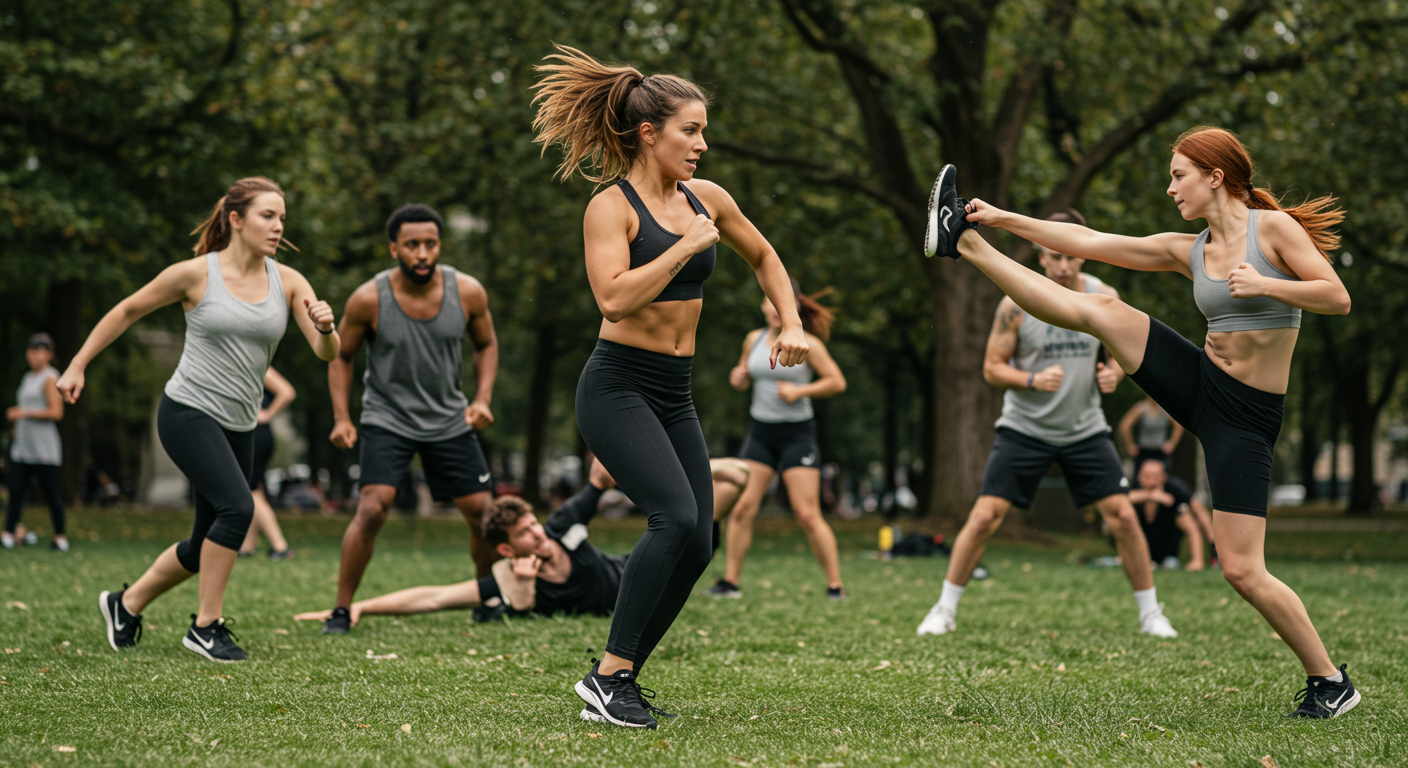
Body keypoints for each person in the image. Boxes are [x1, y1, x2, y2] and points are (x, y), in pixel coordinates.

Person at [924, 125, 1359, 718]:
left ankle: (1331, 681)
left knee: (1241, 569)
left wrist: (1265, 283)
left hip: (1247, 417)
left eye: (1179, 175)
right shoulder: (1192, 249)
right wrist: (1001, 219)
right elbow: (1094, 242)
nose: (1171, 187)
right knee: (1101, 310)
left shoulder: (1273, 232)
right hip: (1202, 380)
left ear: (1215, 176)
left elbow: (1336, 297)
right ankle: (965, 245)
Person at [532, 45, 809, 729]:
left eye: (704, 130)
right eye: (691, 130)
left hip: (673, 390)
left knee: (700, 541)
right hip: (616, 386)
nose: (702, 144)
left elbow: (765, 255)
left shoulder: (706, 198)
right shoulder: (610, 208)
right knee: (675, 519)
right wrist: (684, 247)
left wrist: (792, 320)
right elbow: (615, 300)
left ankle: (619, 678)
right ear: (649, 133)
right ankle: (608, 676)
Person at [64, 177, 339, 662]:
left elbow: (324, 353)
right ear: (235, 219)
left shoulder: (289, 281)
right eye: (267, 216)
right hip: (188, 411)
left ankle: (124, 605)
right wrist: (77, 364)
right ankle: (206, 627)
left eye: (281, 218)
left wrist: (327, 329)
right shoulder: (195, 275)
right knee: (238, 509)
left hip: (240, 423)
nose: (278, 227)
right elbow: (127, 310)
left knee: (205, 541)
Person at [291, 457, 748, 723]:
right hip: (610, 603)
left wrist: (675, 464)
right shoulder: (509, 581)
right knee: (708, 513)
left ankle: (695, 484)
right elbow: (433, 597)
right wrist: (360, 608)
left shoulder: (564, 526)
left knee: (722, 493)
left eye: (534, 521)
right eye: (527, 533)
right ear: (507, 549)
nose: (538, 533)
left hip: (636, 574)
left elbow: (601, 478)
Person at [917, 209, 1178, 641]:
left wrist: (1113, 370)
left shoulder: (1103, 293)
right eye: (1053, 257)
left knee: (1123, 518)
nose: (1062, 265)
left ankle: (1151, 615)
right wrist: (1032, 379)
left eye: (1070, 257)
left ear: (1082, 254)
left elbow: (1122, 347)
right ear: (1040, 258)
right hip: (1025, 428)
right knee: (984, 517)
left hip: (1084, 429)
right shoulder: (1015, 304)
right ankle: (944, 609)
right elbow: (991, 368)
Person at [321, 203, 500, 635]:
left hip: (448, 419)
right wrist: (342, 418)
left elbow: (486, 345)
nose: (422, 253)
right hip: (388, 419)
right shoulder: (368, 299)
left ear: (440, 245)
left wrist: (482, 399)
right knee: (372, 509)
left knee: (484, 514)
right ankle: (341, 610)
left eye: (430, 244)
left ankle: (488, 596)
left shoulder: (468, 292)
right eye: (412, 245)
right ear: (393, 249)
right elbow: (340, 356)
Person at [708, 281, 847, 599]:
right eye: (768, 300)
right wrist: (738, 378)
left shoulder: (808, 344)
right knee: (742, 507)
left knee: (808, 514)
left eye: (780, 301)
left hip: (797, 434)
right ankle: (730, 582)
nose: (773, 307)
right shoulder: (752, 340)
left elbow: (836, 381)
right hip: (760, 433)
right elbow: (742, 377)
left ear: (792, 306)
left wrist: (800, 391)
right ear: (762, 305)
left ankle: (835, 585)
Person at [5, 333, 67, 552]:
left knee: (50, 494)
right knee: (16, 490)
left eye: (37, 351)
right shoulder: (27, 377)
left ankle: (60, 537)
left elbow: (56, 412)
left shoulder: (50, 378)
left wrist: (23, 413)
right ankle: (8, 534)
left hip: (43, 448)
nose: (32, 355)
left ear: (49, 354)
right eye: (30, 350)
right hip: (23, 447)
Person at [238, 366, 295, 559]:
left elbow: (287, 392)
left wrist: (267, 413)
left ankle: (280, 546)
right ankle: (247, 547)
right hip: (254, 434)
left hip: (255, 435)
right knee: (252, 490)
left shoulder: (255, 363)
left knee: (251, 492)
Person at [1128, 458, 1209, 571]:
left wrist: (1197, 561)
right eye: (1144, 474)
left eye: (1152, 475)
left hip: (1167, 557)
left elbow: (1193, 529)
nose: (1147, 479)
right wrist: (1151, 496)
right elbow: (1123, 499)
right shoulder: (1134, 491)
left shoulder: (1175, 495)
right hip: (1139, 555)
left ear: (1163, 477)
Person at [1119, 396, 1184, 470]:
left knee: (1161, 479)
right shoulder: (1141, 408)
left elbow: (1179, 425)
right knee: (1142, 479)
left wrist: (1172, 443)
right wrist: (1130, 445)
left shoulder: (1166, 409)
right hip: (1143, 452)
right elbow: (1125, 426)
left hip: (1161, 452)